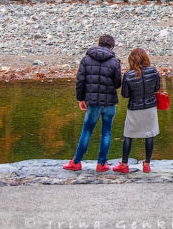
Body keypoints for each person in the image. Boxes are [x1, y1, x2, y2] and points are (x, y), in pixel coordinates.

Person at [63, 34, 122, 172]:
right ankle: (101, 164)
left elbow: (80, 81)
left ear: (98, 43)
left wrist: (80, 99)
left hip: (93, 102)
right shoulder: (115, 62)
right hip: (109, 103)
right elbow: (118, 84)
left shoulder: (86, 59)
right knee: (106, 132)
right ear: (112, 46)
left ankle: (76, 162)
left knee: (87, 131)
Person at [113, 48, 160, 173]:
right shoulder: (153, 71)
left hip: (134, 108)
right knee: (149, 135)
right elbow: (157, 88)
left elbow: (125, 94)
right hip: (150, 107)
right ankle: (147, 164)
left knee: (128, 135)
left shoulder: (128, 75)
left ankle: (124, 164)